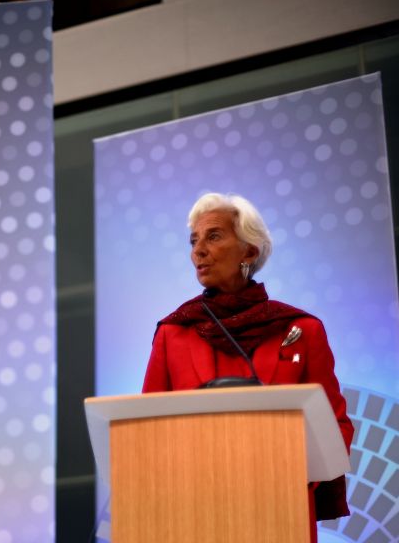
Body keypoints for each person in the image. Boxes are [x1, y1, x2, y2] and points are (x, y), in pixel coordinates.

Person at [142, 192, 353, 541]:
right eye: (193, 240)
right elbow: (147, 431)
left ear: (249, 251)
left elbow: (336, 426)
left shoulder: (301, 329)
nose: (198, 250)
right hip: (194, 513)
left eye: (213, 236)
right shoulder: (172, 333)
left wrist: (288, 474)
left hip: (280, 511)